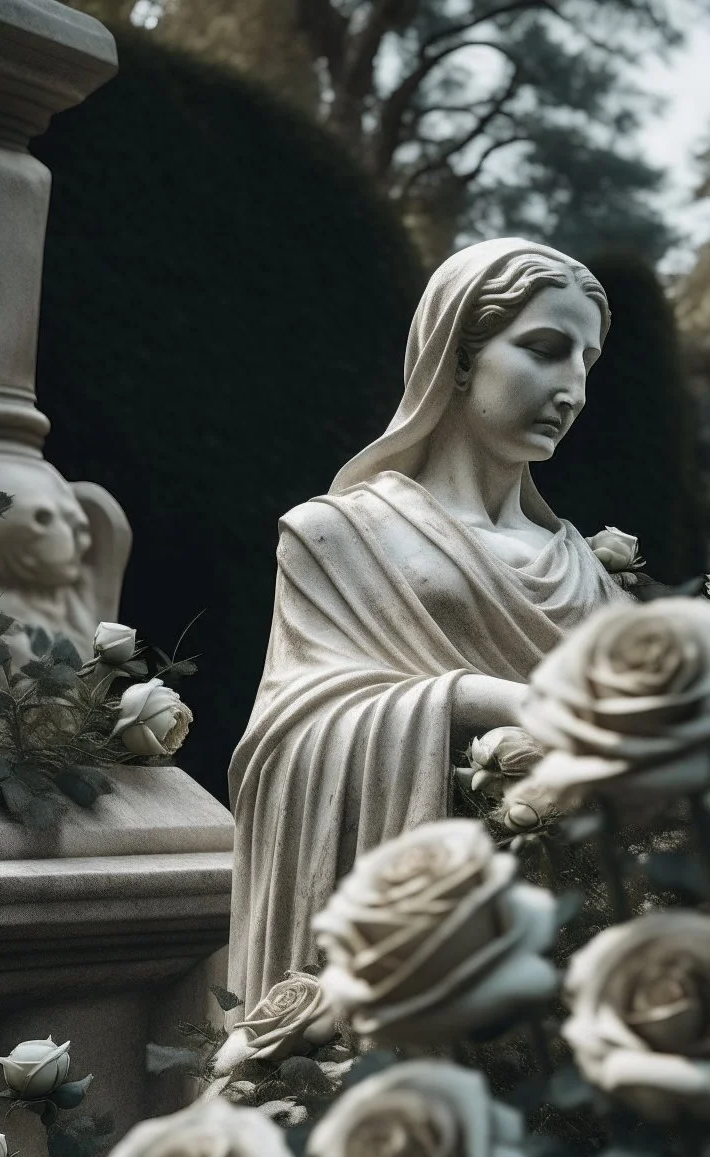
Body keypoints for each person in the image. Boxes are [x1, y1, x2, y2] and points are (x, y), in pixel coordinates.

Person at [225, 237, 626, 1017]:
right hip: (419, 939)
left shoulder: (589, 573)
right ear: (458, 356)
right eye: (544, 350)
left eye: (587, 362)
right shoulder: (337, 535)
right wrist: (490, 701)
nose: (572, 388)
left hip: (564, 945)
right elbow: (288, 738)